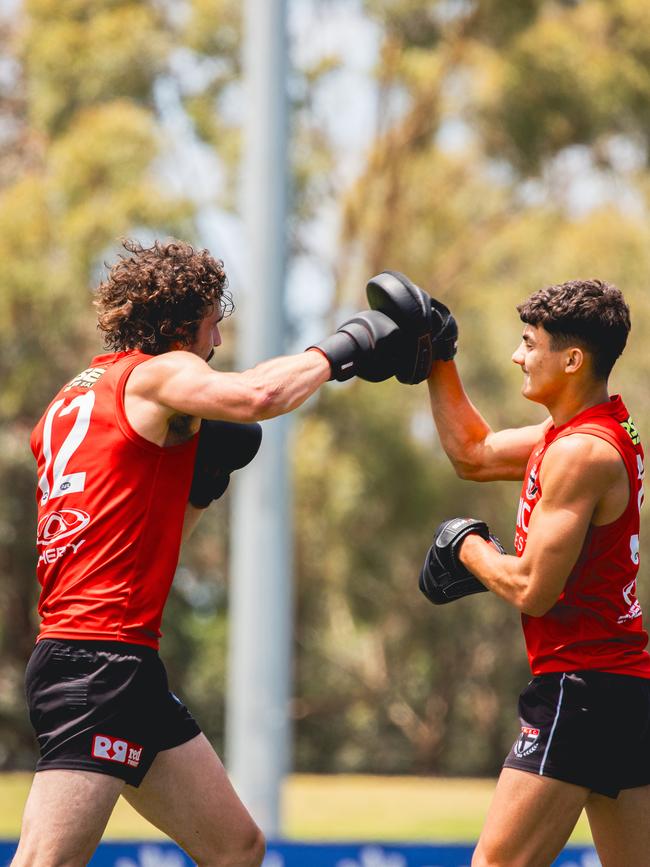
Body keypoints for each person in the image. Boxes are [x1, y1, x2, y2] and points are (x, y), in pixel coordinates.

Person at [15, 238, 412, 867]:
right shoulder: (159, 372)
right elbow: (259, 397)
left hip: (120, 663)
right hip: (98, 663)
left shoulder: (73, 397)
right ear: (178, 328)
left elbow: (131, 535)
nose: (217, 344)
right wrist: (351, 343)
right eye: (211, 325)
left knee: (237, 848)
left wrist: (200, 486)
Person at [410, 277, 650, 866]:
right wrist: (440, 359)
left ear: (571, 359)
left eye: (528, 343)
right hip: (623, 688)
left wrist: (464, 544)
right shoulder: (580, 433)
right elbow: (474, 453)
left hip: (579, 686)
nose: (518, 355)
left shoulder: (580, 453)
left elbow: (532, 590)